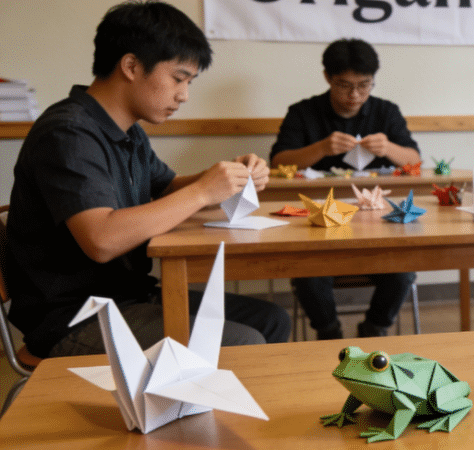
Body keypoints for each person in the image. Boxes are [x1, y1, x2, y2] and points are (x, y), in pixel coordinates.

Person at [6, 1, 290, 359]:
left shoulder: (128, 131)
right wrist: (204, 190)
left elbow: (167, 190)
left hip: (132, 296)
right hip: (75, 315)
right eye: (179, 78)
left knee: (272, 319)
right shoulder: (67, 133)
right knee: (243, 341)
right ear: (131, 66)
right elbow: (102, 239)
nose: (184, 94)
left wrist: (228, 177)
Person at [270, 38, 419, 339]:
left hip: (377, 224)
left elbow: (414, 161)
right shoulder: (303, 112)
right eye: (344, 85)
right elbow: (278, 162)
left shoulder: (386, 112)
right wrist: (321, 148)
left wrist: (388, 147)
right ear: (327, 77)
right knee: (307, 275)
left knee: (404, 271)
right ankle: (329, 333)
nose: (355, 95)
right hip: (316, 226)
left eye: (364, 85)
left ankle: (374, 329)